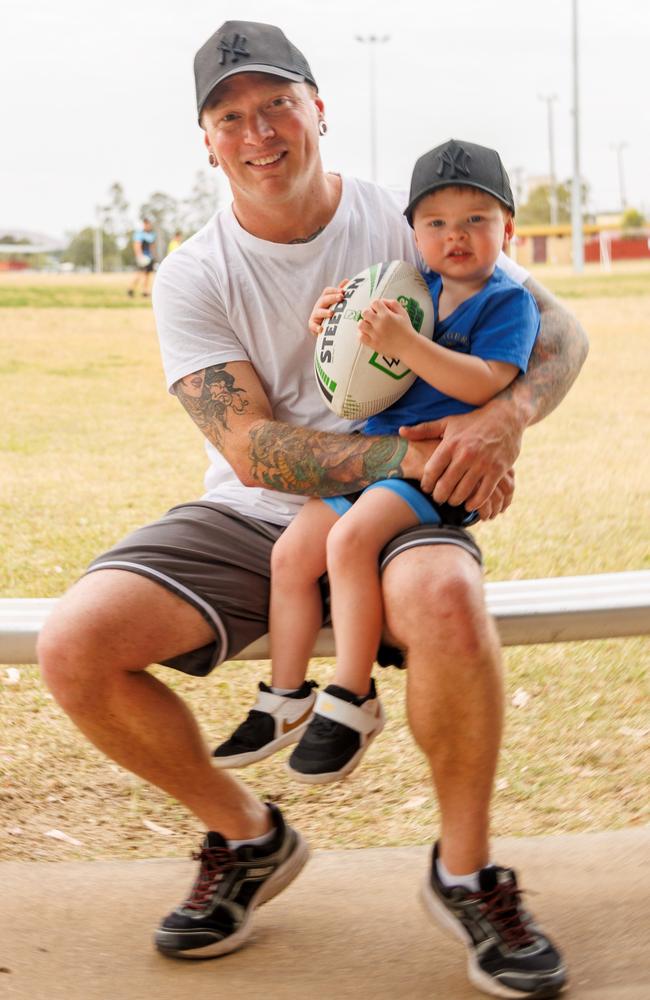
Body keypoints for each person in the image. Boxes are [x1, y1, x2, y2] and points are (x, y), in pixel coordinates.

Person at [37, 20, 587, 998]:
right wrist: (426, 447)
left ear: (317, 109)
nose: (259, 133)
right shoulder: (194, 273)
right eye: (231, 117)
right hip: (262, 511)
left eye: (277, 105)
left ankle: (464, 872)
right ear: (206, 141)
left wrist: (497, 422)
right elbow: (252, 448)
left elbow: (560, 331)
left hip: (395, 508)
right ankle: (249, 837)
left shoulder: (402, 223)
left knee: (449, 604)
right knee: (74, 643)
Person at [212, 140, 540, 787]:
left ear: (509, 228)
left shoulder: (507, 302)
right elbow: (361, 367)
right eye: (436, 222)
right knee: (291, 556)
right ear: (412, 232)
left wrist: (406, 343)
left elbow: (483, 383)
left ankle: (351, 698)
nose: (457, 236)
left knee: (350, 541)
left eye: (477, 219)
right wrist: (334, 322)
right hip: (376, 454)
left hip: (440, 470)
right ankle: (285, 697)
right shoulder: (412, 285)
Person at [128, 217, 156, 297]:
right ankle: (131, 289)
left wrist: (153, 255)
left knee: (148, 274)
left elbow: (152, 246)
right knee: (139, 273)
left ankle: (145, 291)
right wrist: (139, 256)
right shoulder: (140, 234)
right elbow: (137, 246)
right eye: (146, 224)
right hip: (143, 257)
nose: (148, 226)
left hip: (149, 257)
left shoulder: (152, 234)